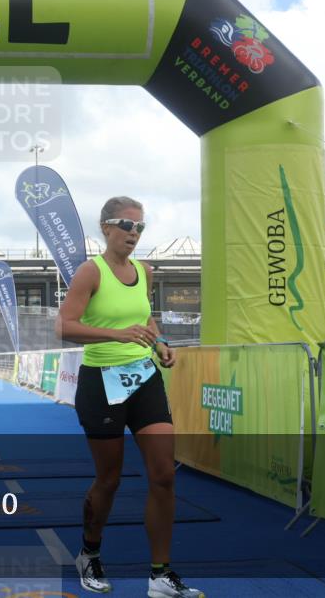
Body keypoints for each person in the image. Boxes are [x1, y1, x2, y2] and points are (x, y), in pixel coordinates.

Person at [56, 196, 201, 597]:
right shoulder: (91, 272)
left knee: (163, 474)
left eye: (140, 227)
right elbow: (65, 327)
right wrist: (116, 335)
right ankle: (89, 553)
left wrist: (161, 342)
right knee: (110, 479)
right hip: (101, 381)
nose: (134, 233)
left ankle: (160, 575)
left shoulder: (145, 271)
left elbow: (145, 316)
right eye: (126, 225)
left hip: (143, 377)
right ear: (106, 227)